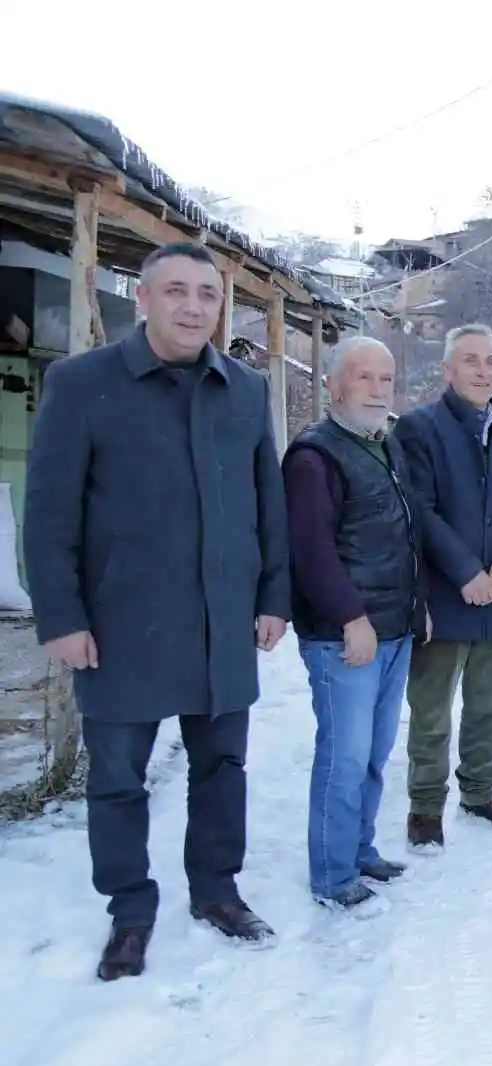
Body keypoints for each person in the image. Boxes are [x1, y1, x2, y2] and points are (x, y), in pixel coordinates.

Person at [23, 242, 289, 981]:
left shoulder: (242, 388)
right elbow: (47, 517)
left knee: (222, 768)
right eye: (175, 291)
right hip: (119, 625)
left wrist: (273, 598)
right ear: (141, 298)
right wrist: (62, 617)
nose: (193, 307)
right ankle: (130, 912)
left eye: (207, 294)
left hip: (221, 622)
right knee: (117, 780)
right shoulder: (82, 384)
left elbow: (268, 506)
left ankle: (216, 891)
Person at [284, 337, 424, 908]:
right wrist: (351, 618)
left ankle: (360, 849)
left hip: (393, 629)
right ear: (334, 386)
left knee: (372, 753)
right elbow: (312, 551)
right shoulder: (315, 457)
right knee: (343, 757)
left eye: (385, 379)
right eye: (363, 378)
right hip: (347, 636)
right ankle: (332, 874)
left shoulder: (381, 446)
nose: (375, 389)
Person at [392, 324, 492, 847]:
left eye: (491, 361)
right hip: (446, 594)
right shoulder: (418, 429)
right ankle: (426, 806)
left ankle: (480, 791)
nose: (482, 371)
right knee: (431, 710)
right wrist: (467, 573)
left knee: (486, 704)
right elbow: (420, 511)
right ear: (448, 370)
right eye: (470, 361)